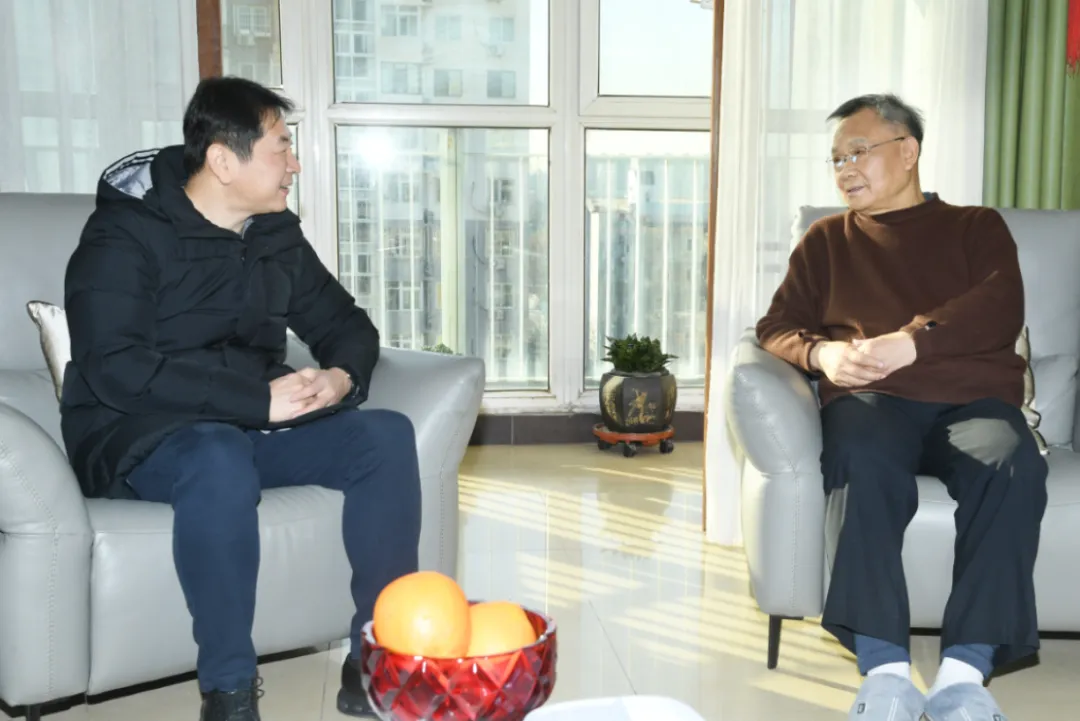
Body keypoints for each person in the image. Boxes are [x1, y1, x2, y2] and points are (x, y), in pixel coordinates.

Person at [61, 76, 421, 721]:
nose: (295, 164)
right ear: (224, 161)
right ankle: (228, 690)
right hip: (136, 433)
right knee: (217, 454)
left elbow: (346, 324)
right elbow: (114, 366)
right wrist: (256, 401)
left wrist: (340, 376)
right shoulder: (122, 236)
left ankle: (376, 658)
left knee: (384, 436)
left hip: (248, 424)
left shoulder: (273, 233)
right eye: (281, 148)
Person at [756, 94, 1047, 721]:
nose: (845, 169)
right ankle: (886, 673)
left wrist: (912, 341)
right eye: (836, 159)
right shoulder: (825, 240)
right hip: (872, 403)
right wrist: (822, 354)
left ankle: (964, 678)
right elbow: (776, 325)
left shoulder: (976, 227)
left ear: (908, 151)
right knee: (858, 457)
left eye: (858, 151)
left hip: (972, 402)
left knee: (1013, 464)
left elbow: (1000, 306)